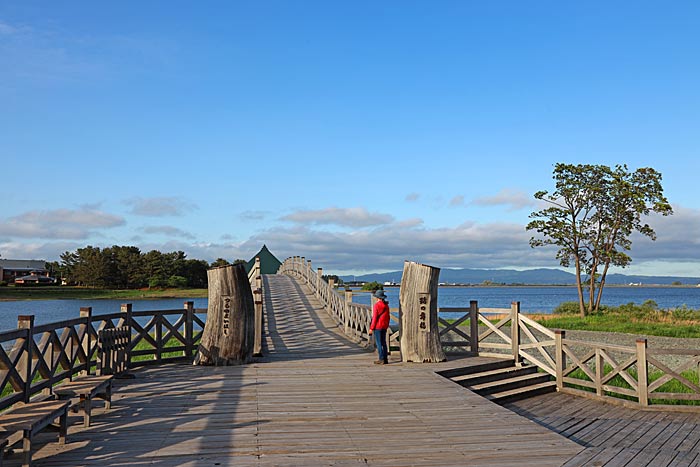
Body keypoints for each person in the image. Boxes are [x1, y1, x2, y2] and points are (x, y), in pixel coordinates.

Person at [369, 289, 390, 364]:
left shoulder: (377, 305)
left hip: (378, 326)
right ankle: (385, 358)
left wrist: (371, 328)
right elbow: (388, 317)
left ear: (377, 297)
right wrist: (386, 325)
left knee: (379, 343)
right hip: (384, 326)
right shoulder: (386, 305)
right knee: (384, 343)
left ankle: (381, 359)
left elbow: (374, 318)